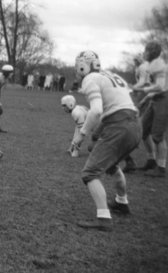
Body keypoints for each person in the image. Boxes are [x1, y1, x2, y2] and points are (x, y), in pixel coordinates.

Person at [72, 51, 141, 231]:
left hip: (119, 126)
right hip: (135, 124)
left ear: (82, 66)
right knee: (112, 165)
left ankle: (103, 218)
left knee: (90, 173)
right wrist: (97, 135)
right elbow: (115, 108)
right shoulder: (111, 75)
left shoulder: (90, 79)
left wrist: (82, 134)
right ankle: (122, 202)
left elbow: (96, 111)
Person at [133, 41, 168, 178]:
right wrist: (145, 99)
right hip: (156, 99)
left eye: (146, 50)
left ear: (152, 52)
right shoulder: (153, 64)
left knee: (158, 135)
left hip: (163, 100)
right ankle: (151, 160)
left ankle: (161, 167)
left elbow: (160, 87)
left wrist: (142, 89)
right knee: (143, 130)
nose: (144, 53)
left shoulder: (158, 65)